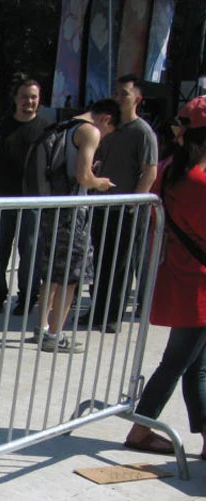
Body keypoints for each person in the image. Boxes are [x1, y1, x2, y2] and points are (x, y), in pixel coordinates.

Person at [124, 97, 206, 457]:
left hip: (183, 278)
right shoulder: (198, 182)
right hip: (197, 285)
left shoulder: (172, 170)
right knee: (180, 364)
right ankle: (141, 431)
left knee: (195, 365)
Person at [34, 99, 119, 354]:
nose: (103, 137)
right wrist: (100, 182)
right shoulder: (89, 131)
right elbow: (83, 176)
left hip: (53, 208)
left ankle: (41, 329)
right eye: (107, 132)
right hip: (74, 213)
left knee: (50, 274)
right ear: (105, 119)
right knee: (71, 278)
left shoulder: (63, 126)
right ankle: (55, 335)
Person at [86, 74, 158, 331]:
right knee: (101, 260)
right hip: (103, 205)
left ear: (137, 99)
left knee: (121, 263)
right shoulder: (110, 128)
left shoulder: (143, 132)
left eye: (124, 94)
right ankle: (97, 310)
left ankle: (112, 316)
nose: (118, 98)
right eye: (116, 93)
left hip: (127, 209)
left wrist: (134, 202)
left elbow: (149, 171)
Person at [0, 79, 46, 315]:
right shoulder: (0, 127)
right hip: (1, 199)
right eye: (24, 96)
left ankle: (27, 297)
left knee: (30, 253)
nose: (28, 101)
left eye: (33, 97)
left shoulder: (46, 129)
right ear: (15, 98)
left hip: (33, 202)